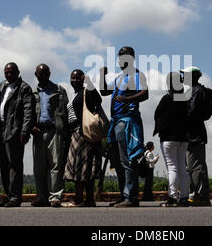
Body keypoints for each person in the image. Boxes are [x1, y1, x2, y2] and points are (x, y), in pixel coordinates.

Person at [100, 46, 148, 207]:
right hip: (116, 122)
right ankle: (123, 194)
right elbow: (104, 91)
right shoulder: (120, 77)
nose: (121, 61)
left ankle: (131, 197)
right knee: (118, 162)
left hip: (128, 121)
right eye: (119, 58)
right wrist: (102, 75)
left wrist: (127, 99)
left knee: (128, 160)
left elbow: (145, 93)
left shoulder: (137, 75)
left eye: (124, 57)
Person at [0, 62, 35, 207]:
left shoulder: (24, 88)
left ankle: (15, 197)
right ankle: (8, 195)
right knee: (3, 165)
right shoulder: (3, 85)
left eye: (12, 72)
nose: (9, 75)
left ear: (18, 72)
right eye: (6, 72)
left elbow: (28, 111)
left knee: (14, 165)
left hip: (15, 131)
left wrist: (25, 131)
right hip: (1, 129)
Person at [31, 64, 69, 208]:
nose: (43, 76)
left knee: (56, 164)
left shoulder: (59, 90)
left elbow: (66, 110)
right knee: (39, 167)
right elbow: (27, 112)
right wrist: (30, 127)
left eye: (46, 73)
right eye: (40, 74)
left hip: (55, 131)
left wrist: (65, 131)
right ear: (36, 74)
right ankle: (42, 197)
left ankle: (55, 197)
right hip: (38, 132)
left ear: (50, 74)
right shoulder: (32, 92)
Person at [63, 70, 102, 207]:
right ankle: (84, 198)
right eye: (72, 78)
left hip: (83, 133)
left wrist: (89, 83)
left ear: (82, 78)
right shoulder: (74, 95)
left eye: (77, 78)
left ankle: (82, 199)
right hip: (75, 134)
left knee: (85, 167)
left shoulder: (87, 92)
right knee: (78, 168)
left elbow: (98, 100)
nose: (74, 80)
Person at [154, 72, 190, 207]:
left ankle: (173, 197)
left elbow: (157, 114)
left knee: (172, 167)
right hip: (183, 138)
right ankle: (185, 197)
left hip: (168, 138)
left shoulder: (167, 99)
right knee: (182, 167)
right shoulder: (184, 99)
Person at [180, 66, 211, 206]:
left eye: (185, 75)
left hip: (194, 135)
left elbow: (191, 113)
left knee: (196, 167)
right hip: (192, 134)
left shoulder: (197, 91)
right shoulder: (193, 91)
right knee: (191, 167)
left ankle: (202, 196)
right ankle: (196, 194)